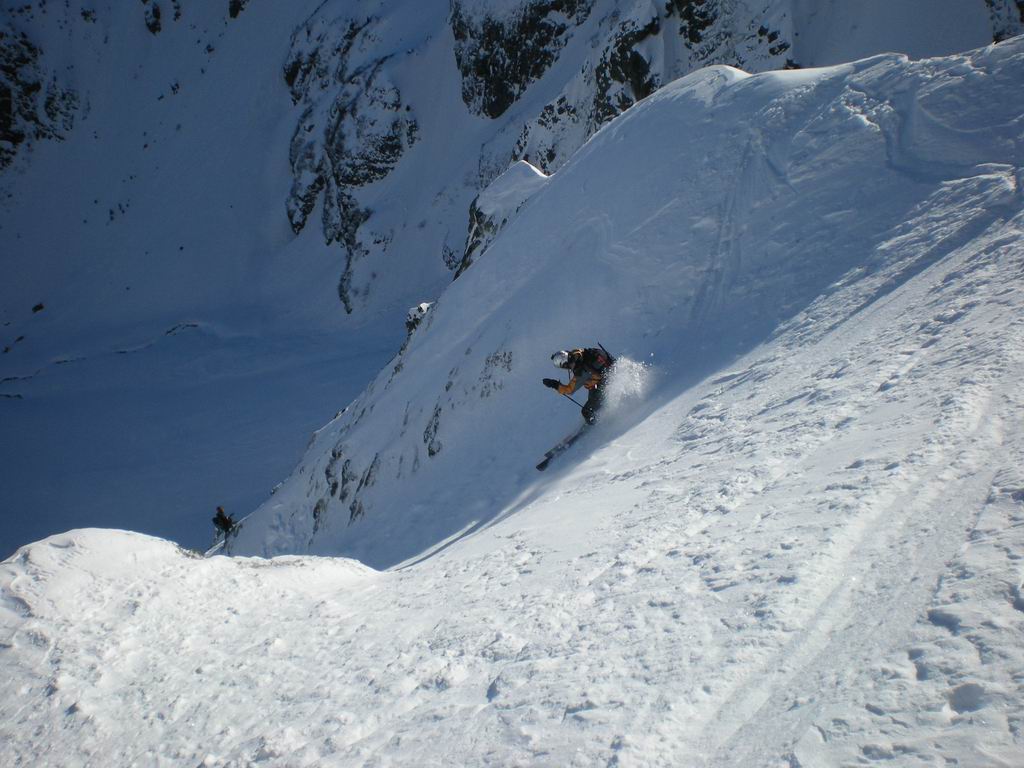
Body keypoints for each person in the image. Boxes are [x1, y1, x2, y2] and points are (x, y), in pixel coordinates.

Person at [543, 346, 615, 424]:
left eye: (564, 367)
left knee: (586, 411)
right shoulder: (580, 353)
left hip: (605, 382)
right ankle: (599, 409)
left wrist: (555, 385)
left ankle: (595, 424)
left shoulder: (581, 372)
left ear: (565, 365)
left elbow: (569, 390)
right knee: (592, 396)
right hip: (611, 368)